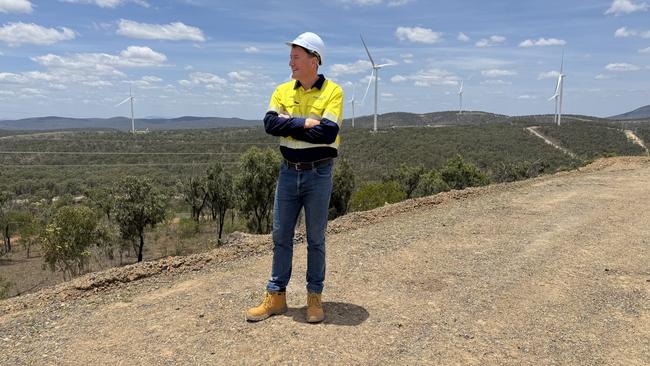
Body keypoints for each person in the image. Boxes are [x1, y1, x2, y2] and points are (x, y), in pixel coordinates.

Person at [246, 32, 344, 323]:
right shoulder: (281, 91)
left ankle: (314, 297)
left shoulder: (333, 92)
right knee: (281, 237)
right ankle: (276, 297)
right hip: (288, 172)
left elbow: (327, 132)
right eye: (291, 57)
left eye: (296, 57)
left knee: (315, 239)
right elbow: (269, 124)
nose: (290, 63)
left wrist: (289, 123)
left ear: (314, 60)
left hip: (319, 174)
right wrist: (304, 122)